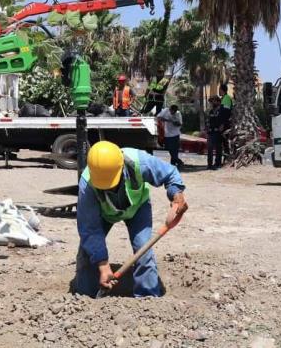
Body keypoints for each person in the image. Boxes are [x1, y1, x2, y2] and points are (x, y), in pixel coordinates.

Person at [74, 141, 188, 298]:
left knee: (143, 251)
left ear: (121, 167)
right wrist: (103, 264)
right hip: (104, 213)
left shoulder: (138, 161)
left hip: (137, 208)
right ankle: (84, 299)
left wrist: (176, 194)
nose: (109, 188)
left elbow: (170, 174)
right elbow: (90, 228)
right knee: (88, 254)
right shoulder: (87, 184)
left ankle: (147, 299)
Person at [206, 95, 223, 169]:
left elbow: (222, 120)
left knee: (218, 149)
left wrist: (221, 127)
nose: (212, 103)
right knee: (210, 149)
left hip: (217, 132)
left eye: (213, 101)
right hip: (211, 132)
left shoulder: (221, 110)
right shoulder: (211, 111)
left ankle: (217, 163)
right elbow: (209, 120)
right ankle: (209, 164)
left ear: (217, 101)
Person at [219, 83, 234, 155]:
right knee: (223, 142)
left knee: (226, 142)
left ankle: (227, 157)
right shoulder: (223, 98)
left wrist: (222, 124)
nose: (219, 91)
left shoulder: (227, 98)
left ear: (222, 90)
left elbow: (226, 113)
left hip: (226, 125)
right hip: (224, 124)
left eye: (219, 89)